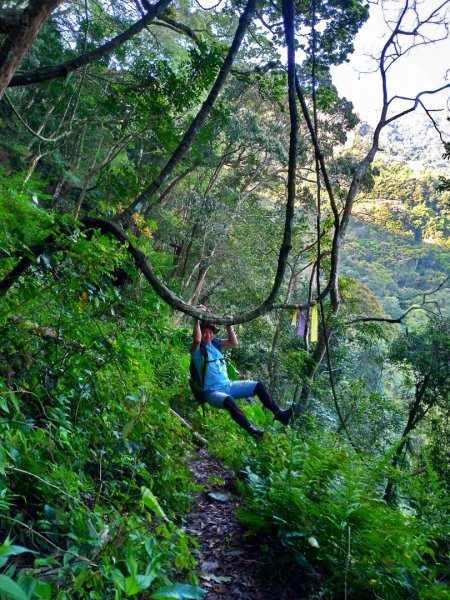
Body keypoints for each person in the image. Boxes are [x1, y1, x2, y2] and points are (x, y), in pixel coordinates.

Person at [190, 316, 294, 441]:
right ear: (200, 332)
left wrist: (229, 326)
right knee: (228, 400)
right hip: (211, 392)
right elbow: (196, 340)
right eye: (205, 332)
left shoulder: (216, 344)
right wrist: (196, 320)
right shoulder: (197, 350)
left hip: (229, 386)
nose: (208, 335)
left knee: (258, 386)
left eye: (210, 332)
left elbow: (233, 342)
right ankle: (253, 432)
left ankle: (279, 414)